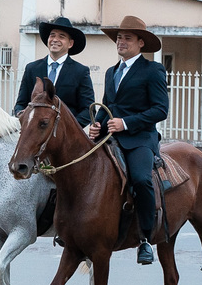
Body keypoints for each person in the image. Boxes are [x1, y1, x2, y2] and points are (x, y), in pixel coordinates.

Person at [86, 15, 170, 266]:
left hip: (139, 139)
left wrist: (127, 123)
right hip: (109, 137)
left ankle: (145, 239)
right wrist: (96, 125)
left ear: (141, 43)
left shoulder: (153, 70)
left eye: (127, 38)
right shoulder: (112, 71)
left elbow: (160, 110)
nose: (121, 42)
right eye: (119, 38)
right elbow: (108, 105)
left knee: (142, 180)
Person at [13, 16, 95, 125]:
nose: (55, 40)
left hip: (65, 138)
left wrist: (68, 128)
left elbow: (88, 110)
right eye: (52, 35)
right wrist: (21, 114)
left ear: (70, 43)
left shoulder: (80, 72)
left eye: (61, 36)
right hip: (34, 135)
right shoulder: (31, 69)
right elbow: (20, 104)